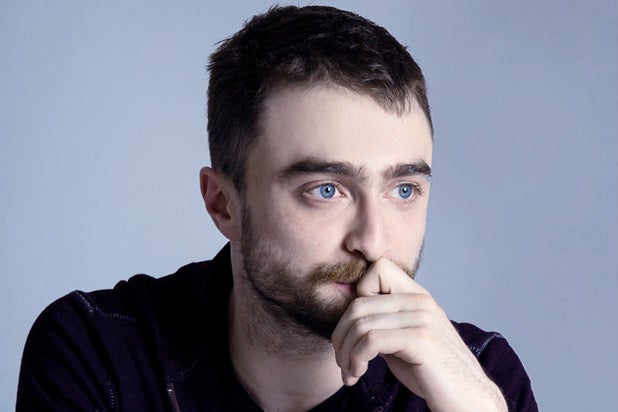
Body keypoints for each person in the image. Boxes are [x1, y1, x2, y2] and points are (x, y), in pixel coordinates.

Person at [17, 5, 537, 411]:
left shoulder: (477, 378)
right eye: (326, 190)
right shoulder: (97, 352)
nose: (373, 241)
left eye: (403, 190)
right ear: (223, 204)